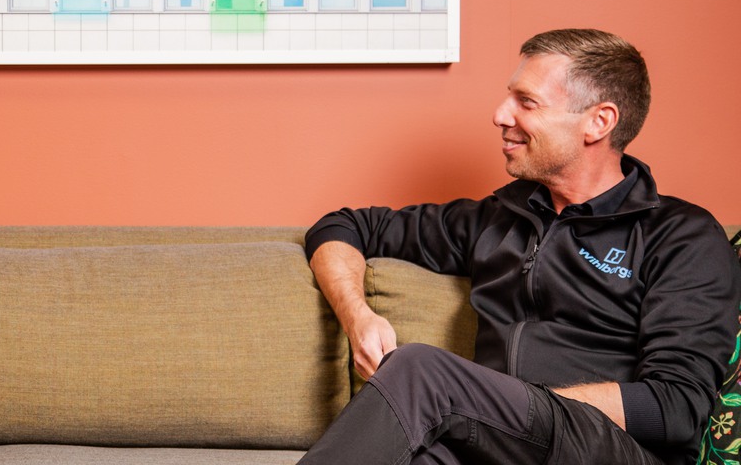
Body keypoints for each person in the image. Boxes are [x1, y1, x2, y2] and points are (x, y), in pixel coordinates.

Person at [298, 29, 741, 465]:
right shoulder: (497, 218)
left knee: (419, 369)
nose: (499, 115)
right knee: (423, 455)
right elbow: (342, 227)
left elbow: (674, 408)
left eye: (526, 102)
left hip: (614, 450)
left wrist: (502, 403)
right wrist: (358, 317)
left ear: (598, 122)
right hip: (498, 442)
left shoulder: (682, 235)